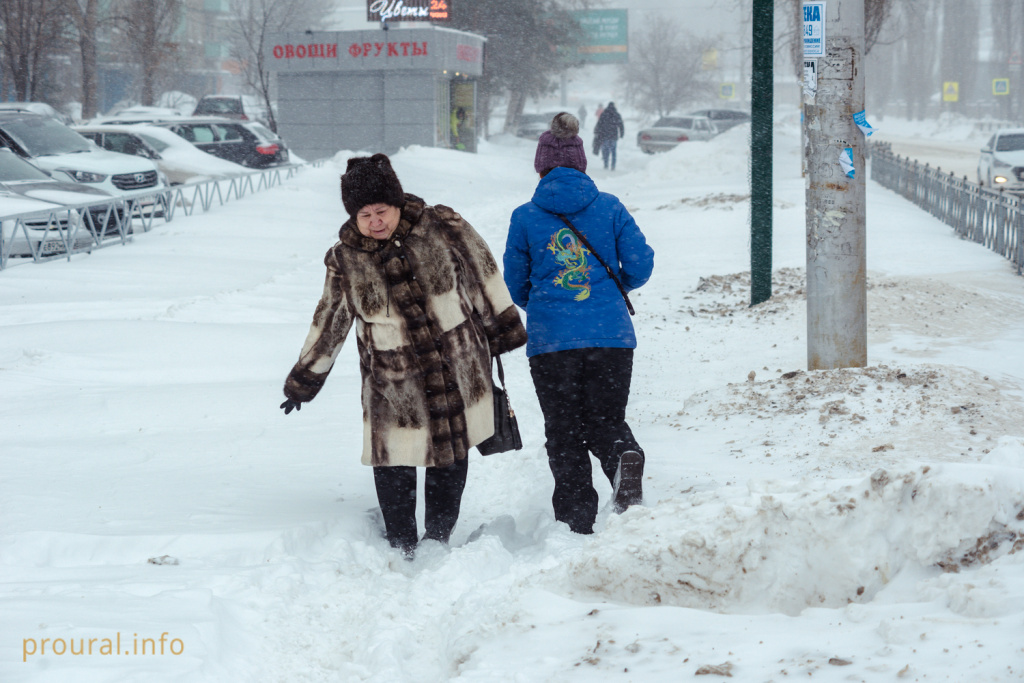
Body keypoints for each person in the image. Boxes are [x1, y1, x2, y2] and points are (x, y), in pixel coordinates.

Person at [281, 153, 527, 556]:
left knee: (449, 453)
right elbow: (330, 323)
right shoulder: (345, 260)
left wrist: (501, 330)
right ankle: (401, 543)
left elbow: (484, 274)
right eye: (365, 215)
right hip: (393, 383)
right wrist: (304, 381)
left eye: (382, 211)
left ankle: (438, 538)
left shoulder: (442, 227)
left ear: (397, 204)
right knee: (393, 460)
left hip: (455, 366)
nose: (375, 221)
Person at [503, 113, 655, 535]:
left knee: (564, 428)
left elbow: (515, 283)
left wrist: (545, 303)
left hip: (553, 342)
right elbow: (641, 264)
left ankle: (574, 519)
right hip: (611, 338)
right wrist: (612, 289)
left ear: (540, 167)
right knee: (606, 418)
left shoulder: (526, 216)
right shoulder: (609, 207)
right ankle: (623, 456)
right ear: (582, 164)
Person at [593, 101, 624, 171]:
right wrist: (621, 133)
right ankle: (613, 166)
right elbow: (621, 125)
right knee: (613, 151)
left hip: (605, 136)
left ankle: (606, 164)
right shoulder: (616, 114)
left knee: (606, 150)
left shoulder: (604, 114)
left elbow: (599, 124)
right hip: (614, 136)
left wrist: (597, 132)